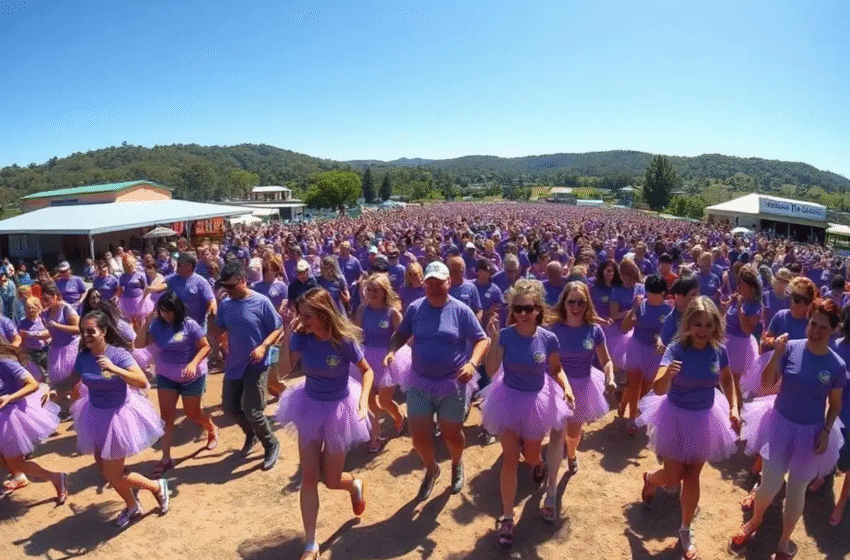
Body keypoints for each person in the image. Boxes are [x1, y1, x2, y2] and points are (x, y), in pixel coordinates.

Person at [732, 299, 845, 560]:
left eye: (823, 328)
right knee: (769, 485)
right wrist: (777, 355)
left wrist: (827, 431)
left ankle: (783, 543)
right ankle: (755, 520)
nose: (815, 332)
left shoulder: (836, 366)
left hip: (811, 434)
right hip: (780, 425)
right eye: (812, 324)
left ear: (833, 331)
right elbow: (767, 382)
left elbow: (835, 405)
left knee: (797, 490)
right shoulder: (791, 348)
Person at [639, 297, 739, 560]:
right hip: (675, 415)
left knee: (692, 476)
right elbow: (658, 388)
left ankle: (685, 529)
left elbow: (727, 379)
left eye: (708, 324)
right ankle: (651, 478)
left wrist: (734, 407)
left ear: (715, 325)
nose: (703, 330)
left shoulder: (719, 350)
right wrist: (667, 374)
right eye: (697, 324)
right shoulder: (676, 349)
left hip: (706, 417)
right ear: (688, 324)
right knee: (673, 479)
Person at [277, 287, 373, 560]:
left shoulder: (343, 341)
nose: (302, 320)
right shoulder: (301, 338)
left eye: (307, 315)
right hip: (308, 405)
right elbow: (284, 369)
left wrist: (364, 401)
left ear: (323, 314)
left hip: (339, 411)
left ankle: (353, 484)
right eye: (300, 315)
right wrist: (287, 331)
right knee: (309, 477)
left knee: (331, 480)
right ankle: (311, 544)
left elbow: (367, 370)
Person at [383, 260, 489, 500]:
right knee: (419, 436)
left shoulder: (461, 310)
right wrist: (392, 350)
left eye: (438, 283)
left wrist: (472, 363)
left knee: (452, 435)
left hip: (453, 384)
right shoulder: (416, 308)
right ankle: (432, 469)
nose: (433, 287)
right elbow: (401, 334)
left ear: (448, 283)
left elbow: (482, 340)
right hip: (419, 382)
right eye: (428, 282)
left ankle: (457, 462)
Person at [482, 279, 573, 546]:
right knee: (510, 457)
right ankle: (507, 518)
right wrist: (492, 340)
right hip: (508, 399)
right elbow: (490, 371)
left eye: (528, 308)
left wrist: (567, 388)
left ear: (538, 309)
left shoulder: (548, 338)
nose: (523, 313)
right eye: (518, 308)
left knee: (531, 454)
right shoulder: (506, 335)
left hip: (537, 401)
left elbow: (555, 369)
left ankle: (540, 465)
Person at [68, 310, 169, 527]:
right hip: (94, 415)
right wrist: (51, 390)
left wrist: (114, 369)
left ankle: (157, 487)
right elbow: (72, 380)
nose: (86, 336)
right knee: (105, 469)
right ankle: (133, 505)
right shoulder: (83, 357)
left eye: (91, 331)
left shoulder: (118, 355)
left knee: (113, 474)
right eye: (83, 331)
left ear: (103, 331)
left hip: (118, 417)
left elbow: (142, 381)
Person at [135, 291, 217, 477]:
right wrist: (146, 323)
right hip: (166, 375)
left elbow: (206, 346)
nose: (165, 314)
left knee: (192, 414)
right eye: (162, 311)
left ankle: (211, 427)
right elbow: (139, 344)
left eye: (169, 311)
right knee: (166, 418)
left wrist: (193, 363)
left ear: (177, 309)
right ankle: (165, 458)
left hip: (191, 376)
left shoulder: (189, 325)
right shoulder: (156, 325)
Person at [547, 281, 615, 497]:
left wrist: (610, 378)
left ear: (587, 304)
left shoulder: (594, 330)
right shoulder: (553, 329)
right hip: (557, 387)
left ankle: (572, 454)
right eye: (571, 302)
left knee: (574, 431)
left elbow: (606, 360)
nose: (576, 306)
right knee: (557, 434)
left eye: (581, 302)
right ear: (564, 303)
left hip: (584, 386)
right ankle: (551, 488)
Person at [215, 261, 283, 471]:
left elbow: (277, 328)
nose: (227, 291)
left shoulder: (261, 302)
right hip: (234, 364)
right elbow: (219, 329)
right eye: (224, 286)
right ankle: (251, 434)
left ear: (244, 282)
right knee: (230, 407)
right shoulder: (225, 305)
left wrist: (263, 346)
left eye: (231, 286)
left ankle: (270, 443)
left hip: (256, 363)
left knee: (253, 410)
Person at [0, 342, 67, 502]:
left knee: (15, 464)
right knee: (5, 463)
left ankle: (56, 477)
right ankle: (22, 476)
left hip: (11, 417)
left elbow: (32, 384)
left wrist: (9, 397)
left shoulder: (5, 362)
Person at [620, 274, 672, 435]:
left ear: (663, 292)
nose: (653, 295)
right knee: (634, 384)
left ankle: (625, 401)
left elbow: (669, 333)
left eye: (657, 292)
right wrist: (633, 310)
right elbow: (625, 327)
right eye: (650, 291)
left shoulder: (668, 309)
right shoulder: (640, 305)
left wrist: (661, 340)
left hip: (655, 352)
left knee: (646, 387)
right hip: (637, 346)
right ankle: (632, 419)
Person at [722, 265, 762, 413]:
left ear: (751, 286)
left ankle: (737, 412)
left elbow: (747, 329)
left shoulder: (754, 305)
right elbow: (726, 319)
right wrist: (727, 305)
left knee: (733, 381)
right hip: (726, 342)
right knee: (724, 380)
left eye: (741, 284)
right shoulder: (739, 298)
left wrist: (739, 308)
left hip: (739, 346)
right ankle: (731, 410)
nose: (738, 286)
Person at [251, 255, 288, 398]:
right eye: (264, 269)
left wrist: (286, 328)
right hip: (259, 331)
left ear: (276, 271)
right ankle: (269, 390)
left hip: (276, 330)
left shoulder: (281, 286)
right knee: (258, 364)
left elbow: (287, 308)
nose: (266, 272)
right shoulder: (256, 287)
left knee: (272, 365)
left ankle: (280, 390)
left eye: (270, 269)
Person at [40, 283, 80, 414]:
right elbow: (50, 332)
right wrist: (42, 336)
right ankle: (64, 406)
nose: (45, 302)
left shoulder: (67, 309)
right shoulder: (45, 314)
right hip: (56, 349)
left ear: (56, 297)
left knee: (73, 379)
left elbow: (77, 329)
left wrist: (58, 326)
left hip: (70, 347)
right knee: (58, 380)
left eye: (48, 299)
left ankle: (75, 407)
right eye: (44, 299)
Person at [830, 306, 850, 526]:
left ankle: (842, 501)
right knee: (828, 450)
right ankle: (822, 476)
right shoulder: (835, 347)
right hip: (834, 413)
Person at [116, 254, 147, 327]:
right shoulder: (122, 277)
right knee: (129, 321)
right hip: (127, 300)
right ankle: (133, 336)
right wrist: (117, 300)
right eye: (127, 266)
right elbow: (120, 290)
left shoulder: (140, 275)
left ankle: (141, 335)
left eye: (130, 265)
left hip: (138, 299)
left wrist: (144, 299)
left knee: (140, 320)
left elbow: (144, 287)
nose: (129, 267)